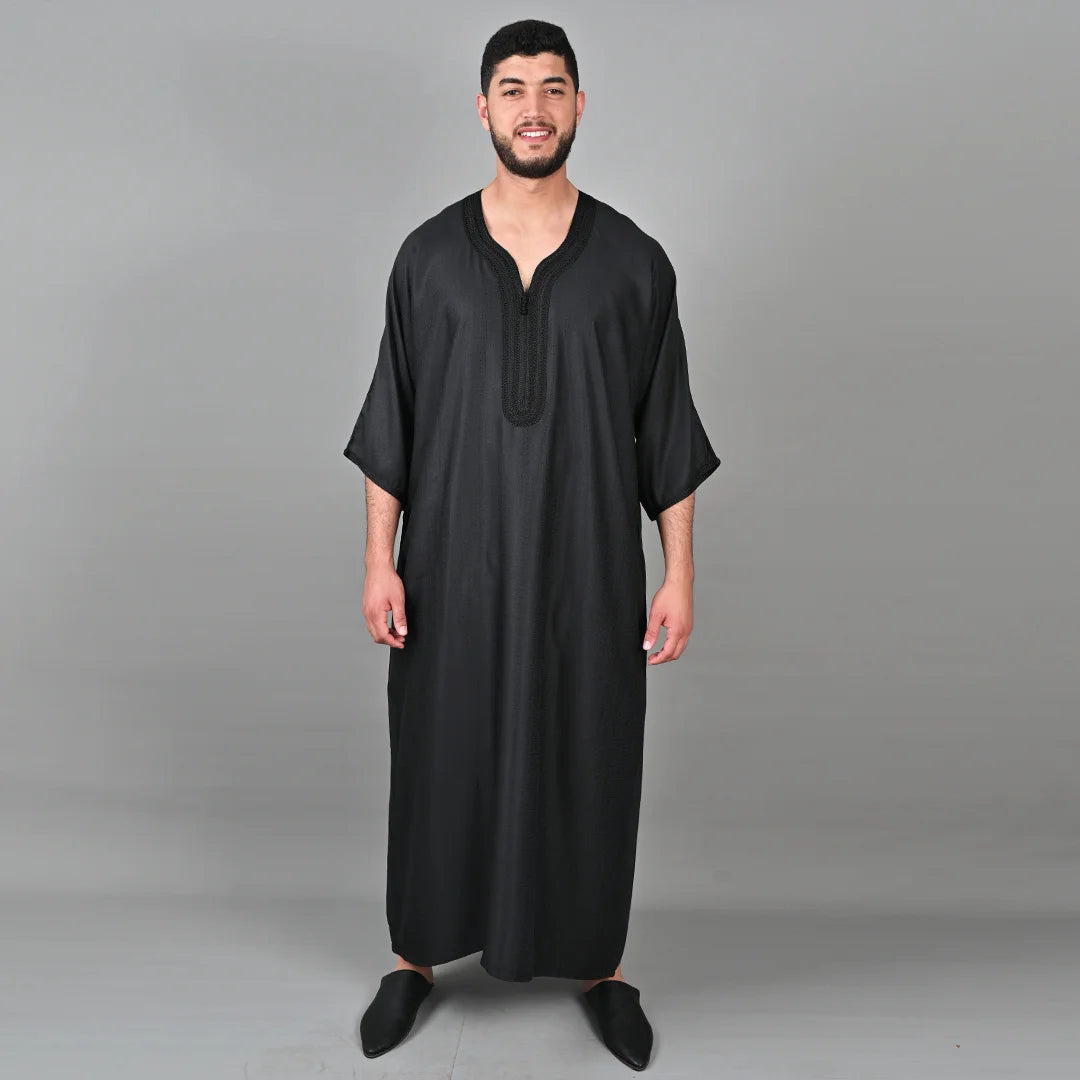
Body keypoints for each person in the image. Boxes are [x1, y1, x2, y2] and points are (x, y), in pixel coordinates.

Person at [344, 18, 720, 1073]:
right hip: (451, 575)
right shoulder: (428, 258)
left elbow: (668, 436)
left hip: (585, 577)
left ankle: (602, 968)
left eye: (553, 88)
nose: (534, 109)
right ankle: (414, 958)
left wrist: (679, 575)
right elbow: (391, 425)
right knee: (439, 755)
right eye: (513, 89)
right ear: (483, 108)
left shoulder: (634, 264)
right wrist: (378, 559)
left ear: (580, 106)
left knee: (589, 754)